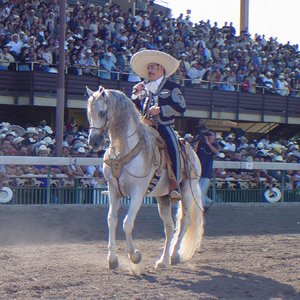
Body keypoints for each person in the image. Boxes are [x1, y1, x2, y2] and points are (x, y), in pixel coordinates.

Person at [130, 49, 186, 199]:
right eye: (149, 68)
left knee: (172, 145)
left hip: (163, 125)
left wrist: (160, 110)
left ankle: (174, 184)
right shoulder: (144, 87)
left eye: (152, 67)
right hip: (144, 125)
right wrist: (135, 93)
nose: (149, 70)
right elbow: (134, 106)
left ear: (161, 68)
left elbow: (181, 108)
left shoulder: (172, 87)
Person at [194, 130, 219, 212]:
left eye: (210, 135)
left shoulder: (214, 145)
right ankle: (208, 202)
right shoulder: (201, 144)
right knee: (196, 191)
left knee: (200, 192)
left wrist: (208, 143)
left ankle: (201, 209)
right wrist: (197, 141)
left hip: (206, 172)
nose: (208, 137)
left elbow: (216, 152)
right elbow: (194, 152)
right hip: (198, 172)